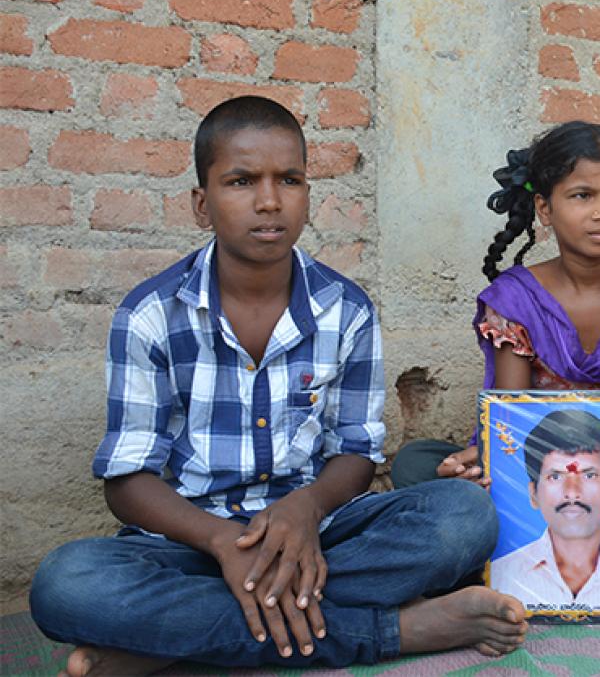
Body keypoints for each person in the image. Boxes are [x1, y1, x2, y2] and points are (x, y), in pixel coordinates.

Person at [28, 96, 527, 676]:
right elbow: (127, 480)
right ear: (201, 203)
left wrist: (304, 509)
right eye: (241, 181)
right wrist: (220, 542)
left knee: (464, 516)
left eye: (289, 180)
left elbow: (356, 453)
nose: (269, 201)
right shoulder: (151, 315)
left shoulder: (347, 310)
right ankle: (393, 630)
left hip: (319, 536)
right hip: (189, 545)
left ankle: (160, 645)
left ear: (307, 194)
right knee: (66, 584)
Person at [390, 121, 600, 589]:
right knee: (416, 464)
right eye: (582, 196)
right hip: (540, 483)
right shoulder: (514, 299)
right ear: (544, 209)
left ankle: (502, 558)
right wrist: (477, 462)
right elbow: (510, 419)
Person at [489, 409, 600, 609]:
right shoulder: (499, 577)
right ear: (533, 494)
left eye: (589, 476)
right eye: (555, 477)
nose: (572, 493)